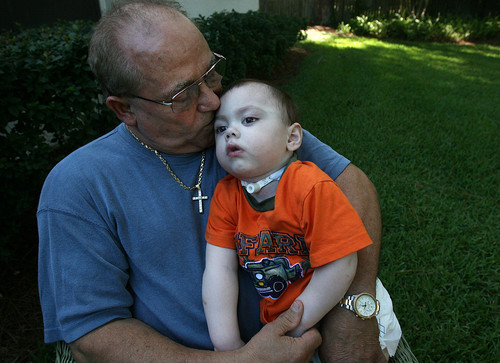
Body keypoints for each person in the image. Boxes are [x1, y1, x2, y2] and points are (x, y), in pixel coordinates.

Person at [37, 1, 386, 361]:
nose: (212, 99)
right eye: (183, 95)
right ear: (125, 109)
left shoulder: (246, 129)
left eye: (212, 72)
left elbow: (350, 184)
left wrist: (354, 311)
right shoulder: (78, 187)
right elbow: (92, 334)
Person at [202, 80, 401, 360]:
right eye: (221, 129)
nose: (230, 132)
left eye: (249, 119)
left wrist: (293, 327)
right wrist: (227, 345)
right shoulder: (226, 196)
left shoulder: (311, 186)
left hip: (340, 309)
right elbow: (218, 270)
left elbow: (341, 263)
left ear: (293, 138)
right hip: (285, 325)